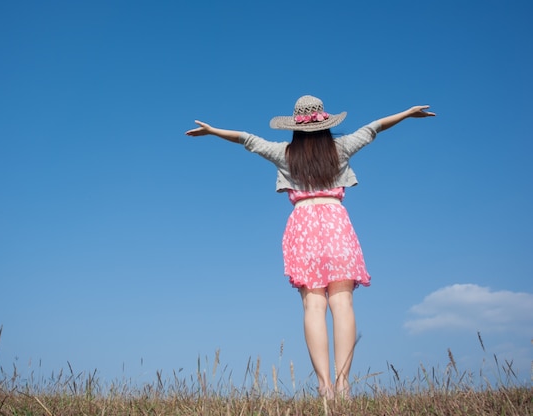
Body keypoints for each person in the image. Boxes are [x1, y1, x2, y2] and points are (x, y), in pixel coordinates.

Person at [185, 95, 435, 398]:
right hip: (335, 223)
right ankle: (343, 384)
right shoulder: (340, 148)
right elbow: (374, 128)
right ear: (326, 123)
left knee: (312, 306)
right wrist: (407, 113)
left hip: (302, 227)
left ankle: (324, 386)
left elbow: (248, 140)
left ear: (295, 127)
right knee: (342, 304)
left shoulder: (285, 153)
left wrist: (213, 131)